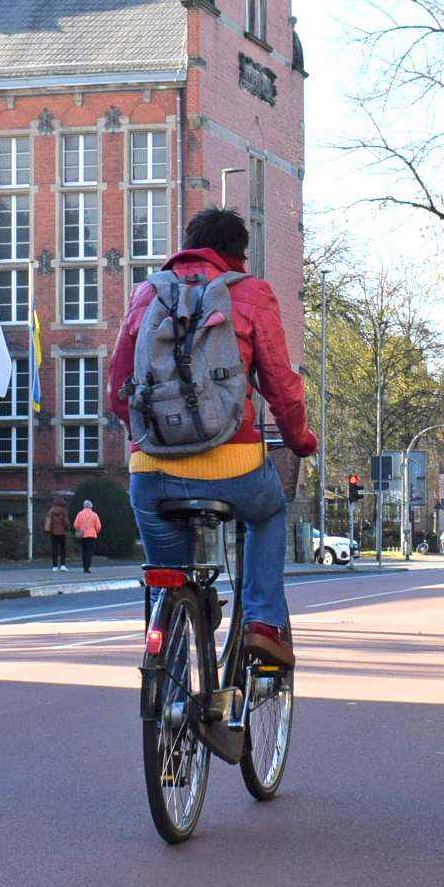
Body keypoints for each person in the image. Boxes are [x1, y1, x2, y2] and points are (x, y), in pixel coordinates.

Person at [109, 207, 316, 668]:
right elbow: (282, 386)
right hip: (235, 468)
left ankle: (172, 707)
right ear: (238, 255)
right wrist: (300, 441)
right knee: (269, 513)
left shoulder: (146, 293)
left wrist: (149, 438)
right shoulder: (252, 294)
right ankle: (262, 621)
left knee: (171, 579)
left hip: (152, 475)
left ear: (188, 244)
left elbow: (117, 387)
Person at [72, 500, 102, 572]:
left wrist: (80, 529)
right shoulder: (94, 515)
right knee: (89, 552)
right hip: (92, 535)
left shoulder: (79, 514)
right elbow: (98, 526)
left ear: (84, 506)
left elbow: (75, 524)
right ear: (91, 506)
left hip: (83, 535)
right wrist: (95, 532)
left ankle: (84, 566)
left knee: (84, 551)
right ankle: (87, 567)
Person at [43, 497, 71, 571]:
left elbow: (47, 520)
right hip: (62, 533)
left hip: (53, 533)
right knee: (62, 550)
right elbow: (66, 522)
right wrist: (67, 528)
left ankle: (54, 566)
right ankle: (63, 565)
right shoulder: (64, 511)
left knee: (54, 550)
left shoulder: (51, 511)